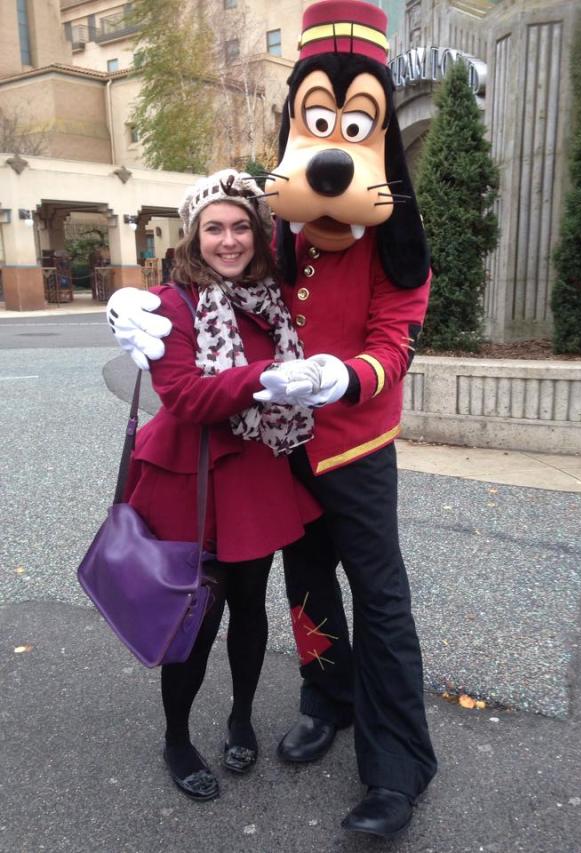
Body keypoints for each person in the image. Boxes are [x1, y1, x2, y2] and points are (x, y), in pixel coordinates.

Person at [108, 0, 438, 838]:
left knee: (383, 596)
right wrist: (137, 302)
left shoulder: (395, 234)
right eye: (317, 118)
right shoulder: (277, 223)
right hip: (279, 448)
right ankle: (326, 695)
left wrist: (344, 373)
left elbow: (396, 340)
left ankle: (397, 765)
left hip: (355, 444)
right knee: (306, 584)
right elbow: (215, 276)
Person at [117, 168, 322, 802]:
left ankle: (240, 718)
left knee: (251, 608)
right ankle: (177, 737)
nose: (228, 240)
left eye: (240, 227)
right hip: (192, 479)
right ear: (193, 235)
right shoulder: (169, 303)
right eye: (214, 228)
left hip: (255, 475)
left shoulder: (273, 299)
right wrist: (267, 375)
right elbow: (184, 395)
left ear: (259, 236)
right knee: (194, 619)